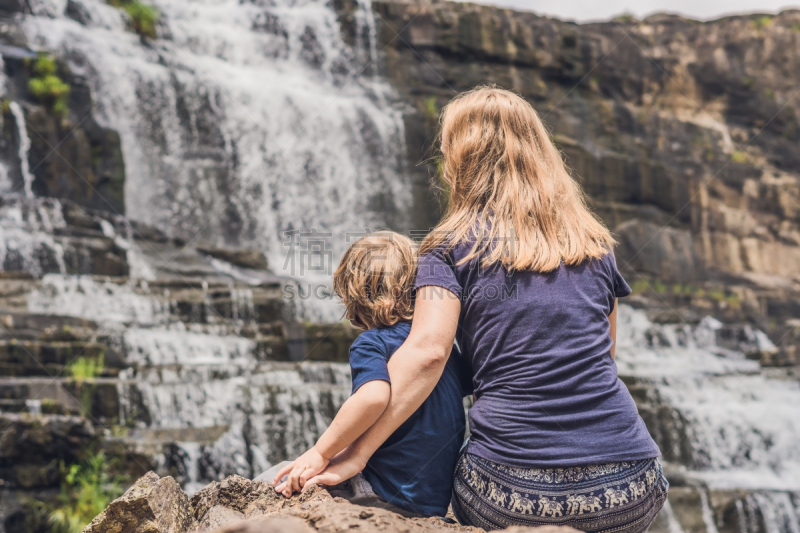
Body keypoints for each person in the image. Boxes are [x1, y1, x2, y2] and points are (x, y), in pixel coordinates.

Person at [302, 87, 668, 532]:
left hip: (512, 494)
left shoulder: (447, 248)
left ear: (463, 157)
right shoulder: (594, 243)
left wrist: (347, 452)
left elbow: (429, 353)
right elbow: (604, 356)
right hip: (631, 487)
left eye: (445, 150)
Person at [257, 231, 471, 518]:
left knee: (272, 479)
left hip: (378, 490)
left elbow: (372, 398)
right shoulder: (446, 349)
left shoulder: (372, 343)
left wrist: (320, 452)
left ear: (352, 294)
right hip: (431, 501)